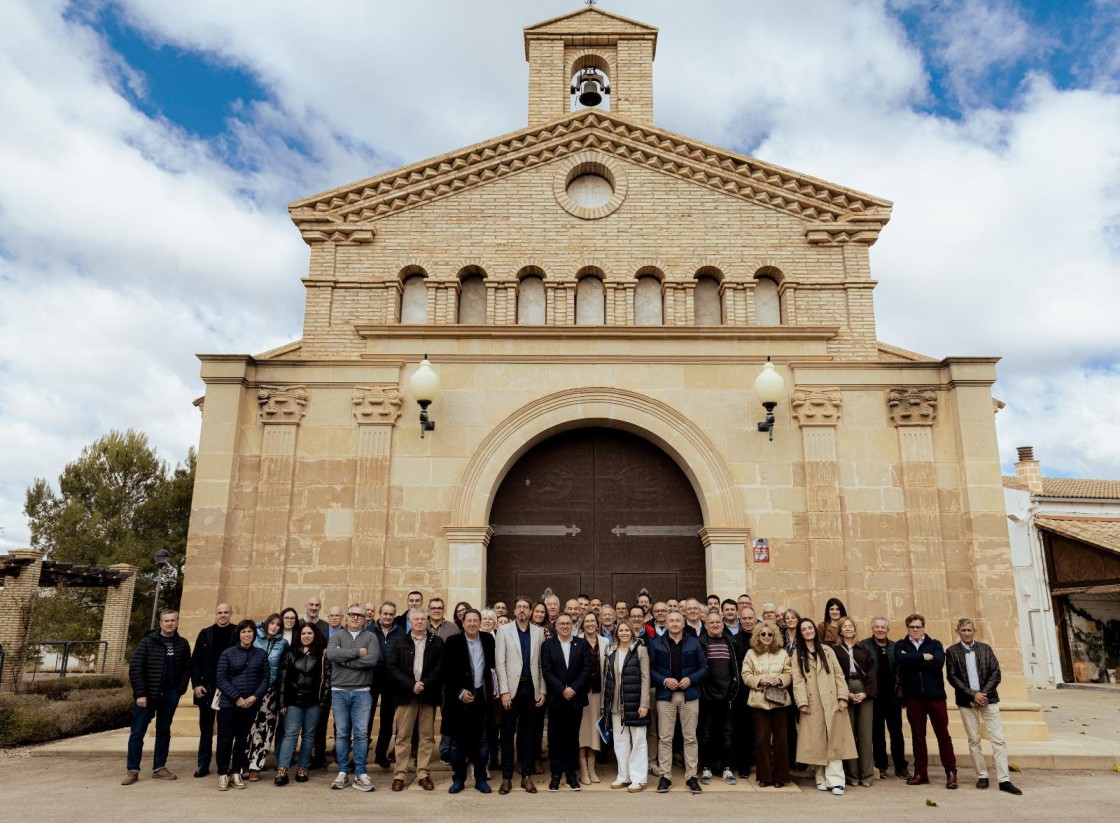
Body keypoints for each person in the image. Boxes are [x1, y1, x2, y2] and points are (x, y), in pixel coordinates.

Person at [945, 618, 1022, 795]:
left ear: (975, 631)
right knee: (974, 740)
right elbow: (952, 677)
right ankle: (982, 776)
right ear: (957, 631)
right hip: (966, 702)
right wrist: (973, 695)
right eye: (963, 630)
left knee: (998, 739)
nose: (966, 633)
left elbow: (996, 672)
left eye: (969, 630)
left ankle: (1004, 780)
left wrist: (983, 694)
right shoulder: (951, 652)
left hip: (989, 699)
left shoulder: (985, 649)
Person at [122, 609, 192, 785]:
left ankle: (159, 767)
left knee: (163, 732)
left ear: (177, 622)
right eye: (166, 621)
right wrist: (140, 694)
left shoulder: (182, 644)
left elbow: (186, 669)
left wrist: (179, 691)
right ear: (160, 623)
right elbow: (136, 667)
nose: (170, 623)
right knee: (137, 733)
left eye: (173, 620)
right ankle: (132, 770)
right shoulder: (148, 642)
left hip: (169, 695)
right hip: (147, 696)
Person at [791, 617, 856, 796]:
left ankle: (836, 780)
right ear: (800, 633)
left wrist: (843, 696)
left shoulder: (827, 650)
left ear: (814, 629)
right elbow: (797, 681)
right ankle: (820, 777)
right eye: (803, 629)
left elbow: (838, 675)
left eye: (809, 628)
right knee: (816, 741)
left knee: (834, 741)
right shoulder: (798, 654)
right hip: (812, 703)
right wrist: (802, 702)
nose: (807, 631)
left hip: (831, 700)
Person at [648, 610, 709, 794]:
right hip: (665, 695)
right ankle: (665, 776)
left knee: (690, 737)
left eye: (677, 621)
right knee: (665, 738)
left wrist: (691, 679)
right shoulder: (657, 643)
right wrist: (664, 680)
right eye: (671, 621)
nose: (674, 624)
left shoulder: (694, 642)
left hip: (689, 694)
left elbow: (705, 667)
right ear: (666, 624)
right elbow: (649, 669)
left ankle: (691, 777)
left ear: (683, 624)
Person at [895, 613, 958, 790]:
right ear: (907, 628)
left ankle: (951, 772)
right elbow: (901, 659)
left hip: (936, 697)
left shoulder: (935, 644)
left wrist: (914, 660)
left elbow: (938, 662)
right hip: (914, 698)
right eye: (912, 627)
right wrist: (924, 657)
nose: (915, 630)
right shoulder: (901, 645)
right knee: (918, 737)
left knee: (943, 736)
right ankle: (921, 773)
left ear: (923, 627)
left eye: (918, 627)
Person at [388, 608, 444, 791]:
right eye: (416, 619)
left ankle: (423, 773)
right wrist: (411, 684)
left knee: (427, 737)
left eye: (422, 619)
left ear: (427, 621)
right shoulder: (400, 642)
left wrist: (425, 683)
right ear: (410, 623)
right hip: (406, 696)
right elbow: (392, 668)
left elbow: (441, 667)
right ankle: (400, 775)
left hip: (428, 695)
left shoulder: (436, 642)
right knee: (403, 736)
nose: (419, 622)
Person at [495, 595, 547, 794]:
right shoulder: (503, 631)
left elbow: (542, 664)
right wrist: (504, 691)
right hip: (512, 691)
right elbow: (499, 663)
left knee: (527, 735)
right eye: (519, 607)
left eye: (526, 607)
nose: (523, 610)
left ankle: (526, 776)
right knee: (507, 735)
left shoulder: (539, 632)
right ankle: (507, 778)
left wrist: (542, 690)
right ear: (514, 611)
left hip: (531, 689)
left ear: (531, 611)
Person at [326, 604, 379, 792]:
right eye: (352, 615)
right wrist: (357, 653)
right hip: (339, 691)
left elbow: (372, 660)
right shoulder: (337, 636)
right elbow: (332, 654)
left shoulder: (371, 637)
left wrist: (345, 662)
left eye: (360, 615)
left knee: (362, 733)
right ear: (346, 617)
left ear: (365, 619)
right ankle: (342, 772)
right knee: (341, 733)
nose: (356, 618)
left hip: (362, 692)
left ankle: (360, 773)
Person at [442, 608, 495, 793]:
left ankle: (480, 779)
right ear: (462, 623)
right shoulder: (452, 642)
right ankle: (458, 779)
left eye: (475, 620)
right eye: (468, 620)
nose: (472, 624)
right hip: (459, 699)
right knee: (458, 743)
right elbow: (446, 671)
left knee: (482, 742)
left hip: (481, 697)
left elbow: (492, 669)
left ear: (480, 623)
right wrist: (460, 692)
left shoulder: (488, 640)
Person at [214, 619, 270, 790]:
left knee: (242, 740)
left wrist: (255, 696)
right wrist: (236, 697)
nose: (247, 635)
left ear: (254, 634)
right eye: (243, 631)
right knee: (225, 739)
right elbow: (221, 679)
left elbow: (265, 678)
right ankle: (223, 773)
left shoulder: (261, 654)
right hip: (230, 705)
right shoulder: (227, 654)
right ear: (238, 634)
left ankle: (236, 772)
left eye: (250, 631)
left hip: (250, 704)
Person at [541, 613, 593, 792]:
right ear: (556, 626)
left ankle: (571, 774)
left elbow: (587, 670)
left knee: (572, 738)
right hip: (556, 699)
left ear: (573, 625)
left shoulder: (582, 644)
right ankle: (556, 774)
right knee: (555, 738)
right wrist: (562, 689)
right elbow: (547, 671)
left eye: (568, 623)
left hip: (575, 699)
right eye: (561, 623)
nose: (564, 626)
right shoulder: (548, 645)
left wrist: (573, 689)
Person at [275, 623, 329, 785]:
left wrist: (324, 701)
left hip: (314, 703)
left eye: (309, 633)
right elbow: (283, 679)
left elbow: (327, 679)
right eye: (303, 633)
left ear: (315, 635)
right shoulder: (291, 653)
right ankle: (282, 770)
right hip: (293, 701)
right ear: (299, 636)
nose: (306, 636)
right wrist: (282, 702)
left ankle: (302, 768)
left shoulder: (322, 654)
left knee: (308, 736)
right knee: (290, 734)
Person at [741, 620, 792, 788]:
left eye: (770, 634)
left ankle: (780, 777)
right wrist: (760, 680)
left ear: (775, 636)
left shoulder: (783, 653)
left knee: (781, 740)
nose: (767, 637)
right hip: (759, 701)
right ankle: (765, 776)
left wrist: (780, 679)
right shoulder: (751, 653)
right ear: (758, 636)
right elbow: (746, 674)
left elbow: (789, 673)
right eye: (763, 634)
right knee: (762, 739)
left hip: (779, 700)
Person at [602, 619, 650, 791]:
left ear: (632, 632)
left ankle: (639, 778)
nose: (623, 633)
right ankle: (624, 776)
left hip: (635, 703)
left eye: (626, 630)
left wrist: (644, 703)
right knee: (620, 741)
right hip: (615, 704)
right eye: (620, 630)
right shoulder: (612, 651)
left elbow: (645, 677)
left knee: (638, 740)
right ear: (617, 633)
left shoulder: (640, 650)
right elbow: (607, 679)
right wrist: (604, 704)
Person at [190, 602, 236, 778]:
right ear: (215, 614)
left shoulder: (237, 631)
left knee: (226, 731)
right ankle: (203, 764)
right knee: (206, 730)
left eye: (226, 612)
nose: (222, 615)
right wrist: (196, 684)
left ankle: (223, 765)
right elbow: (195, 662)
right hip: (206, 688)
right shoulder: (205, 633)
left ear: (231, 614)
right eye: (219, 612)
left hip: (228, 689)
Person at [860, 617, 909, 778]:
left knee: (896, 733)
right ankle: (881, 765)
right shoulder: (864, 645)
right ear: (872, 629)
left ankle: (901, 766)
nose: (880, 630)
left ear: (887, 629)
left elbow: (901, 671)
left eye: (883, 627)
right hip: (874, 696)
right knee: (877, 733)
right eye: (877, 627)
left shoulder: (895, 647)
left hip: (892, 696)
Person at [833, 616, 876, 787]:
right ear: (840, 630)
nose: (848, 629)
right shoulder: (835, 651)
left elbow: (872, 673)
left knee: (865, 734)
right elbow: (834, 674)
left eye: (851, 626)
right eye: (845, 626)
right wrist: (846, 693)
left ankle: (866, 775)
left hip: (864, 690)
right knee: (849, 735)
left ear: (855, 629)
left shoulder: (864, 649)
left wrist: (866, 693)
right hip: (845, 690)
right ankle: (852, 775)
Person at [698, 610, 738, 785]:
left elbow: (735, 669)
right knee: (706, 734)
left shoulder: (731, 642)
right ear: (706, 626)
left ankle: (726, 768)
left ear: (722, 625)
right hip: (707, 696)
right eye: (711, 623)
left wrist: (731, 693)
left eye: (718, 622)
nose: (715, 625)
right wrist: (705, 693)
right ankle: (706, 767)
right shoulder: (700, 643)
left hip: (727, 696)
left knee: (727, 735)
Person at [246, 613, 288, 780]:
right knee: (248, 727)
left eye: (278, 625)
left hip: (271, 692)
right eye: (272, 623)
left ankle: (256, 766)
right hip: (251, 689)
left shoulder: (283, 643)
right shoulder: (255, 637)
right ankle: (242, 762)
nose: (274, 627)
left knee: (265, 729)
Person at [368, 601, 404, 770]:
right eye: (385, 614)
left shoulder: (400, 633)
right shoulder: (369, 631)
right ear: (379, 614)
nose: (388, 617)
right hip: (372, 679)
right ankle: (360, 755)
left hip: (391, 681)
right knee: (366, 719)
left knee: (387, 719)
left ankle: (380, 754)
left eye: (391, 614)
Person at [577, 611, 606, 784]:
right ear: (583, 624)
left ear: (597, 623)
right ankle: (583, 770)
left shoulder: (605, 642)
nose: (590, 624)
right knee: (582, 732)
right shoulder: (577, 641)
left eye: (592, 621)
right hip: (581, 693)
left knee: (594, 732)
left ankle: (592, 768)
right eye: (586, 621)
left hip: (598, 692)